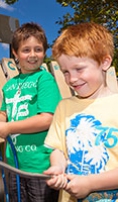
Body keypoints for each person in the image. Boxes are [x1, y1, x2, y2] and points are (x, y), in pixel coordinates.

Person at [0, 22, 62, 202]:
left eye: (38, 49)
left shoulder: (44, 79)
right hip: (14, 165)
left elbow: (47, 119)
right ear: (15, 53)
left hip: (41, 165)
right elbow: (4, 114)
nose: (32, 55)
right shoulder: (10, 85)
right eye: (26, 50)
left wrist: (9, 128)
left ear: (44, 52)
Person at [43, 22, 118, 202]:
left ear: (104, 62)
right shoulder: (64, 108)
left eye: (79, 69)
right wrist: (58, 167)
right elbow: (58, 149)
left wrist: (90, 183)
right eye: (66, 72)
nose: (72, 79)